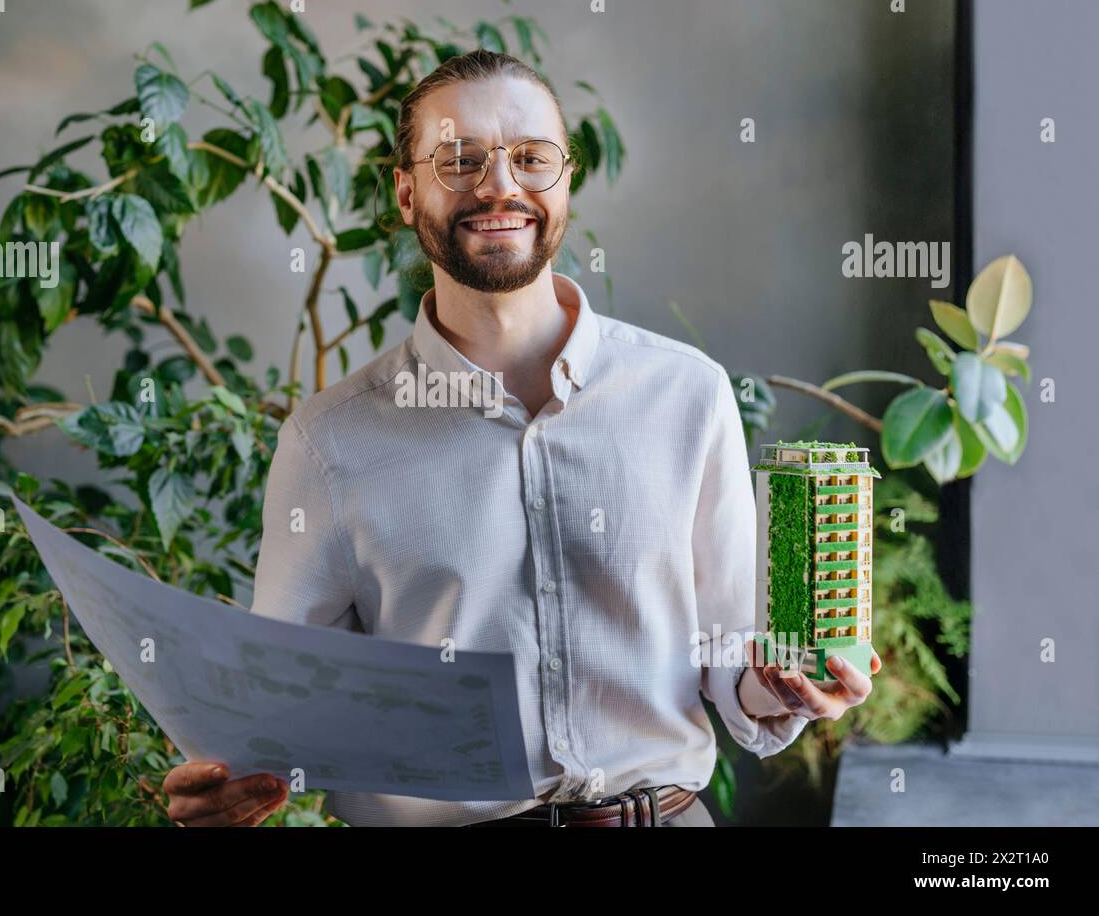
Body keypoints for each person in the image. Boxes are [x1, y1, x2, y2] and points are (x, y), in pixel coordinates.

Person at [162, 49, 880, 828]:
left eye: (532, 158)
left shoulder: (688, 395)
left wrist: (782, 683)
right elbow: (284, 703)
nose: (500, 185)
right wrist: (236, 779)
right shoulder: (328, 441)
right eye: (459, 159)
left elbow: (728, 653)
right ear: (406, 192)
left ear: (565, 180)